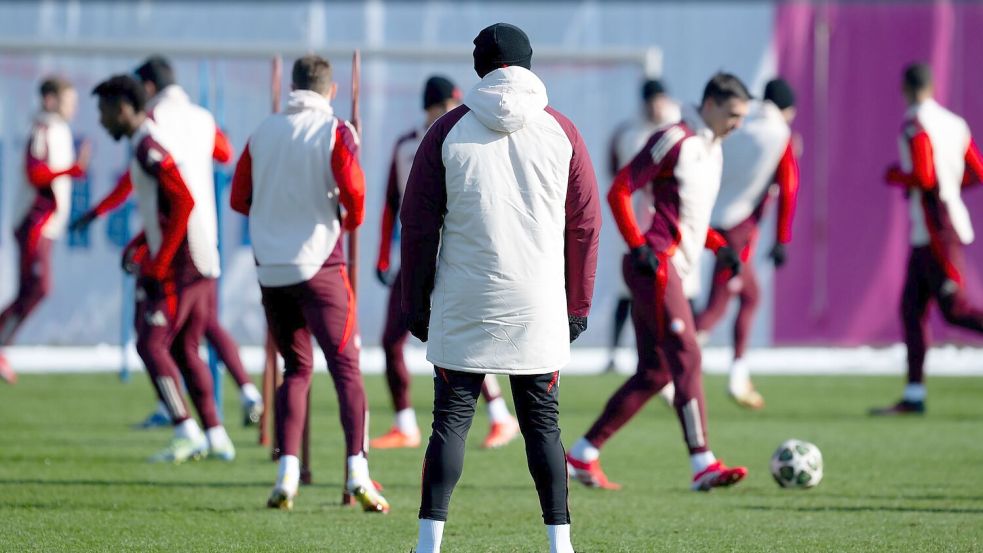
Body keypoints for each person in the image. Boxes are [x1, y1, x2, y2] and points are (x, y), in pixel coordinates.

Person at [403, 23, 600, 553]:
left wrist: (414, 303)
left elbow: (418, 226)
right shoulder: (564, 131)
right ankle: (561, 545)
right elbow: (585, 225)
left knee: (450, 423)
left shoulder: (447, 131)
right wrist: (577, 305)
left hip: (465, 298)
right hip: (538, 303)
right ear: (529, 64)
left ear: (478, 68)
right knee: (543, 427)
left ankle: (428, 544)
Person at [566, 73, 752, 492]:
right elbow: (620, 189)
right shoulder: (675, 139)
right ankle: (702, 462)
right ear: (710, 105)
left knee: (655, 373)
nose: (737, 124)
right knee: (687, 356)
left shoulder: (712, 149)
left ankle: (582, 454)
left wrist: (718, 246)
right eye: (733, 115)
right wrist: (638, 245)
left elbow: (688, 219)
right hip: (656, 267)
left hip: (673, 268)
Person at [230, 55, 388, 513]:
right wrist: (349, 220)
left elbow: (240, 198)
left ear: (291, 87)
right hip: (321, 263)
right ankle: (357, 470)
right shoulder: (336, 129)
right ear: (331, 90)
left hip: (271, 268)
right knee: (346, 367)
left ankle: (287, 474)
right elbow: (354, 189)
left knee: (294, 370)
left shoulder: (262, 132)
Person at [71, 56, 263, 427]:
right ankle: (241, 397)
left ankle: (184, 419)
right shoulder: (203, 117)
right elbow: (225, 154)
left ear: (144, 90)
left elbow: (141, 176)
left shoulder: (152, 123)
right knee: (202, 325)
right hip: (205, 233)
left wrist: (104, 215)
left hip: (175, 238)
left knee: (159, 339)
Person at [370, 75, 520, 450]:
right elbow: (391, 202)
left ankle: (501, 415)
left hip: (455, 253)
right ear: (432, 107)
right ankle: (405, 422)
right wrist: (383, 255)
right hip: (417, 255)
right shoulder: (406, 145)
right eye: (448, 104)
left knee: (463, 337)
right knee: (391, 338)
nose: (454, 111)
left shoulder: (467, 137)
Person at [92, 74, 235, 463]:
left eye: (104, 113)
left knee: (151, 343)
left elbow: (184, 201)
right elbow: (166, 209)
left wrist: (158, 260)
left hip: (185, 260)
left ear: (124, 108)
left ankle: (185, 429)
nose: (102, 122)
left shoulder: (148, 146)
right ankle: (217, 435)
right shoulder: (146, 143)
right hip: (195, 254)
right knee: (185, 350)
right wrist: (140, 244)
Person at [871, 63, 983, 416]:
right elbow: (976, 172)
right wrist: (952, 188)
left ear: (905, 87)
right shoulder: (954, 122)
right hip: (937, 226)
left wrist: (895, 175)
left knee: (955, 310)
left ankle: (915, 392)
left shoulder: (914, 123)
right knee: (911, 309)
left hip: (937, 227)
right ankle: (914, 393)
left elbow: (923, 174)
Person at [694, 78, 801, 410]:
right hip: (737, 226)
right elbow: (789, 186)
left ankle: (738, 375)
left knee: (751, 296)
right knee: (717, 306)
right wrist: (783, 238)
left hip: (713, 216)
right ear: (789, 111)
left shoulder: (739, 121)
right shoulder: (780, 135)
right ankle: (666, 368)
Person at [0, 77, 91, 385]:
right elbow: (34, 171)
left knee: (34, 289)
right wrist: (70, 170)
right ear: (50, 100)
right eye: (68, 100)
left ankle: (2, 346)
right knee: (37, 287)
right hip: (34, 221)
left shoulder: (59, 130)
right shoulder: (43, 129)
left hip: (47, 224)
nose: (73, 108)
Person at [603, 79, 681, 379]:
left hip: (669, 223)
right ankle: (618, 351)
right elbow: (618, 180)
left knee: (678, 287)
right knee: (629, 289)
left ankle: (675, 348)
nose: (656, 106)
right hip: (634, 223)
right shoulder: (628, 133)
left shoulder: (679, 129)